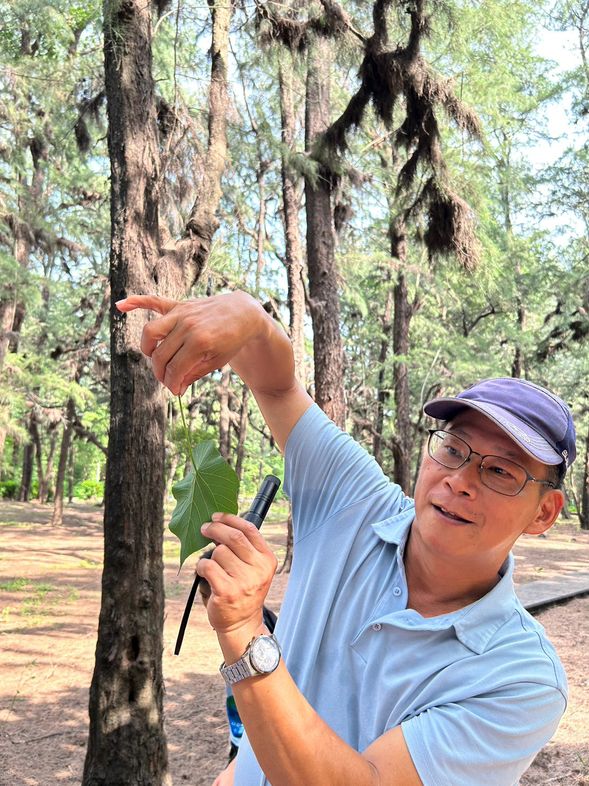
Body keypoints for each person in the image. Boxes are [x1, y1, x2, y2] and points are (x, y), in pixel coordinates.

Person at [116, 291, 576, 786]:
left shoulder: (521, 678)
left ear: (544, 512)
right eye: (453, 447)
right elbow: (276, 389)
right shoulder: (356, 502)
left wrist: (245, 633)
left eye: (501, 472)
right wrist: (250, 319)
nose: (460, 480)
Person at [197, 550, 278, 767]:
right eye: (204, 596)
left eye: (210, 596)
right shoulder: (257, 622)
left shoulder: (259, 632)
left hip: (257, 742)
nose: (209, 604)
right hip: (241, 733)